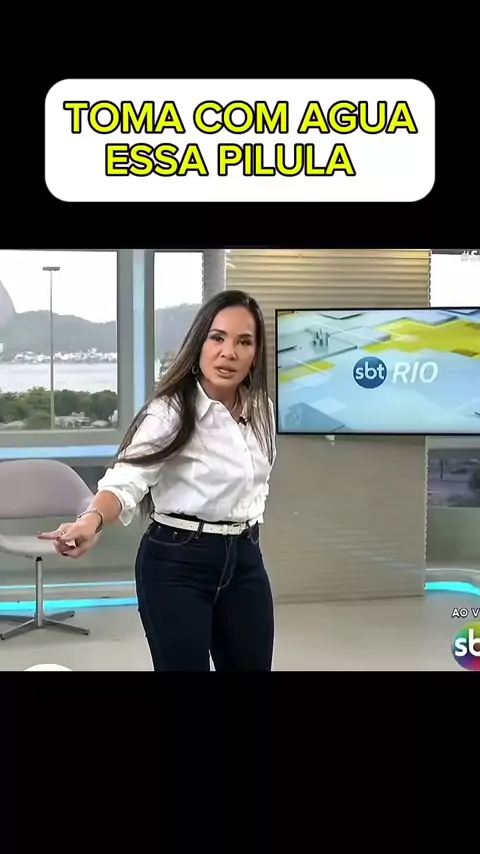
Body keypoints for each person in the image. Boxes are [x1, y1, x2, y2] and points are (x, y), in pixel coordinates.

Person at [38, 290, 277, 672]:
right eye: (217, 338)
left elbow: (255, 486)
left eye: (243, 342)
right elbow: (126, 480)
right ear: (199, 344)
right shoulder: (169, 412)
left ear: (255, 354)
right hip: (177, 564)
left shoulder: (261, 409)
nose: (228, 352)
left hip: (245, 560)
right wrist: (91, 520)